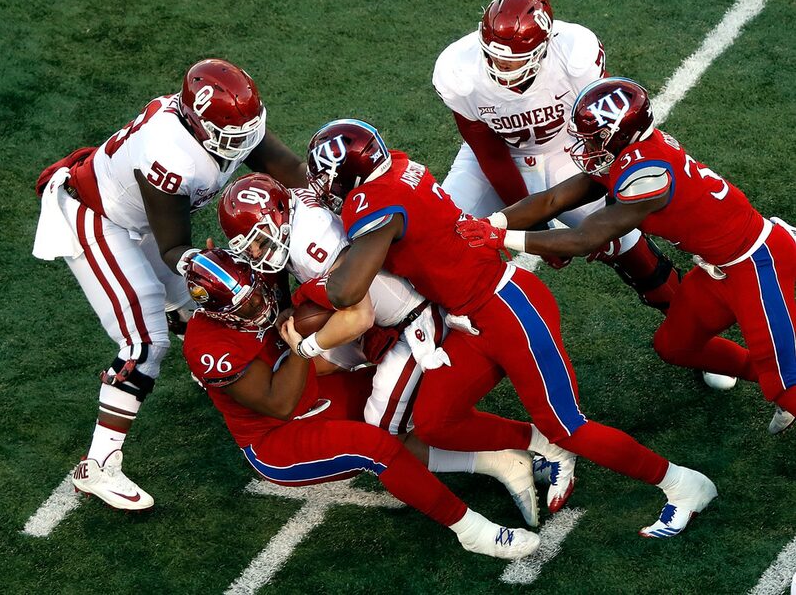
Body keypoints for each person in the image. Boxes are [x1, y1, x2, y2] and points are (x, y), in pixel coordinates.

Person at [300, 117, 717, 538]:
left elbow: (345, 291)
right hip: (469, 317)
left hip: (506, 306)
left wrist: (320, 274)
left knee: (569, 425)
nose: (325, 187)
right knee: (434, 422)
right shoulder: (399, 167)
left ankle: (682, 485)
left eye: (327, 177)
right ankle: (543, 445)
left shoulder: (371, 202)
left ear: (347, 173)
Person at [32, 58, 309, 510]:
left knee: (187, 307)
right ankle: (99, 466)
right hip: (97, 216)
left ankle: (216, 382)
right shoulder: (169, 152)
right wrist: (218, 272)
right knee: (144, 342)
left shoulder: (226, 126)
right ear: (197, 122)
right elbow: (174, 248)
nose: (239, 144)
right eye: (230, 136)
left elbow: (291, 168)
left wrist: (329, 203)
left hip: (141, 220)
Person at [456, 76, 796, 435]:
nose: (584, 145)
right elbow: (551, 201)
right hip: (716, 267)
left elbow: (586, 237)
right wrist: (487, 222)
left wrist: (500, 237)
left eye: (592, 138)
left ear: (619, 135)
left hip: (756, 263)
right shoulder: (628, 155)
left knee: (787, 383)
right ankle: (767, 380)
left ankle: (782, 391)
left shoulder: (648, 174)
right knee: (675, 345)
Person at [214, 172, 544, 525]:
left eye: (259, 241)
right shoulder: (294, 207)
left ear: (278, 215)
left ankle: (513, 456)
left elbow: (358, 316)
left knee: (383, 432)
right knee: (315, 372)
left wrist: (306, 347)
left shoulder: (311, 245)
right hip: (384, 317)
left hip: (410, 323)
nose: (255, 252)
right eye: (247, 246)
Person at [181, 248, 540, 560]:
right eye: (247, 308)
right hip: (276, 435)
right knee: (377, 447)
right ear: (217, 313)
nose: (261, 306)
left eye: (258, 295)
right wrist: (302, 346)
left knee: (404, 400)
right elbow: (279, 404)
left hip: (312, 389)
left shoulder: (253, 278)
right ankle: (473, 532)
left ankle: (505, 457)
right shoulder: (208, 347)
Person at [432, 0, 697, 323]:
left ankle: (692, 324)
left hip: (568, 150)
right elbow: (489, 153)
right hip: (496, 158)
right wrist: (540, 229)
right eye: (492, 55)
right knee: (439, 238)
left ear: (544, 47)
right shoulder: (459, 69)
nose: (499, 66)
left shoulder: (574, 54)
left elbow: (604, 131)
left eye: (511, 60)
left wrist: (607, 196)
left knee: (625, 244)